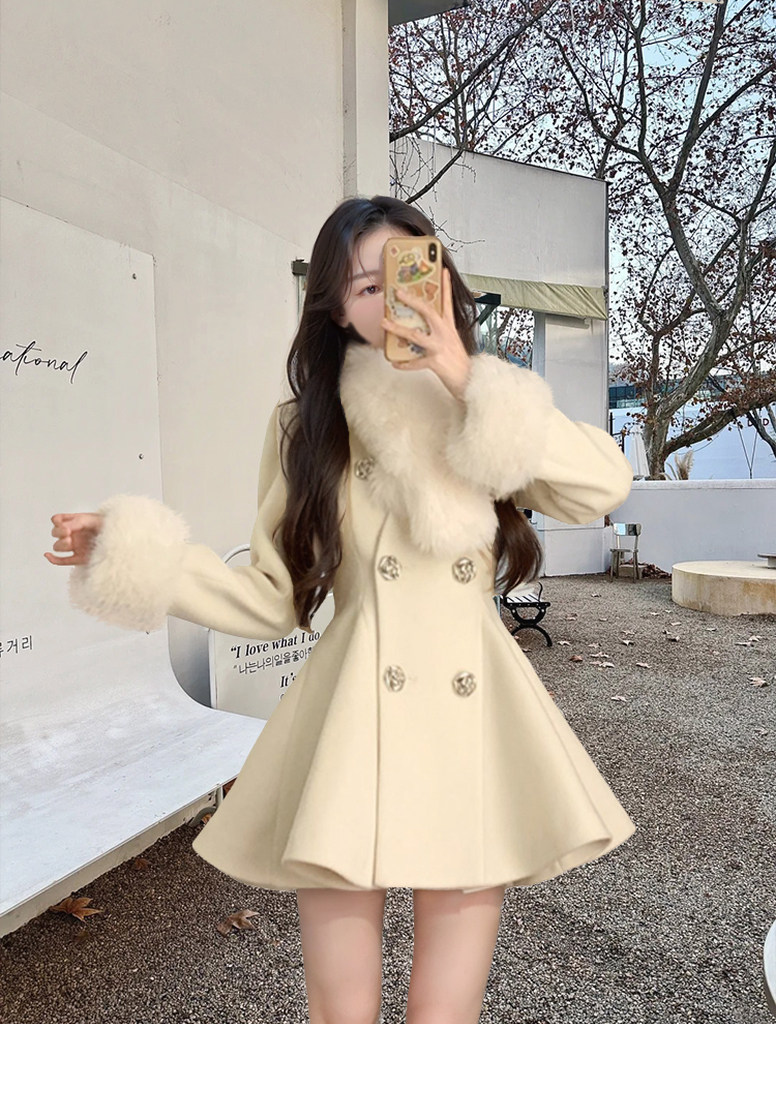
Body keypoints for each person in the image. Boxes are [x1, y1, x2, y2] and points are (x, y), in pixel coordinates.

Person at [45, 195, 636, 1024]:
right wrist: (132, 549)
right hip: (353, 721)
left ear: (440, 279)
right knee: (341, 1015)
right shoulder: (306, 425)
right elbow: (272, 595)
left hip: (476, 720)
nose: (391, 298)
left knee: (445, 1017)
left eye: (408, 271)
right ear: (335, 309)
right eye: (365, 285)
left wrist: (465, 376)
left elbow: (602, 488)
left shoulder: (495, 408)